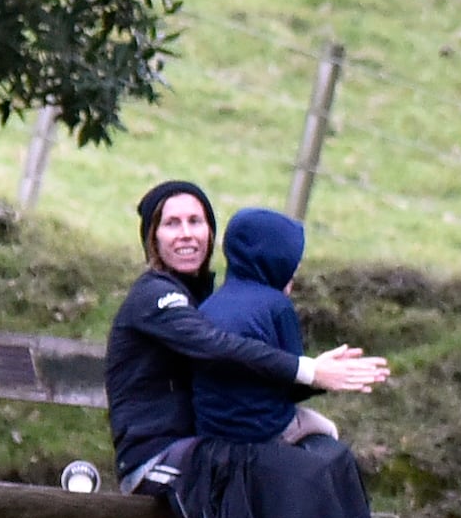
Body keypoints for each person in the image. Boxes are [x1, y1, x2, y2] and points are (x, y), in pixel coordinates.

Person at [102, 176, 386, 494]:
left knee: (319, 455)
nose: (186, 233)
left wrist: (319, 376)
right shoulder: (154, 296)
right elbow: (214, 346)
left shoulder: (204, 299)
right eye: (171, 223)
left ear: (211, 233)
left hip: (201, 447)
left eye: (195, 221)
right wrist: (306, 369)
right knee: (282, 477)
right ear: (152, 239)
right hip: (155, 460)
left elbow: (241, 380)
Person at [172, 206, 388, 518]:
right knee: (330, 445)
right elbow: (287, 384)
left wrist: (320, 372)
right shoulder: (275, 307)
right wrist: (325, 376)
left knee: (322, 442)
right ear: (275, 261)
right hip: (262, 434)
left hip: (215, 436)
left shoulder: (210, 305)